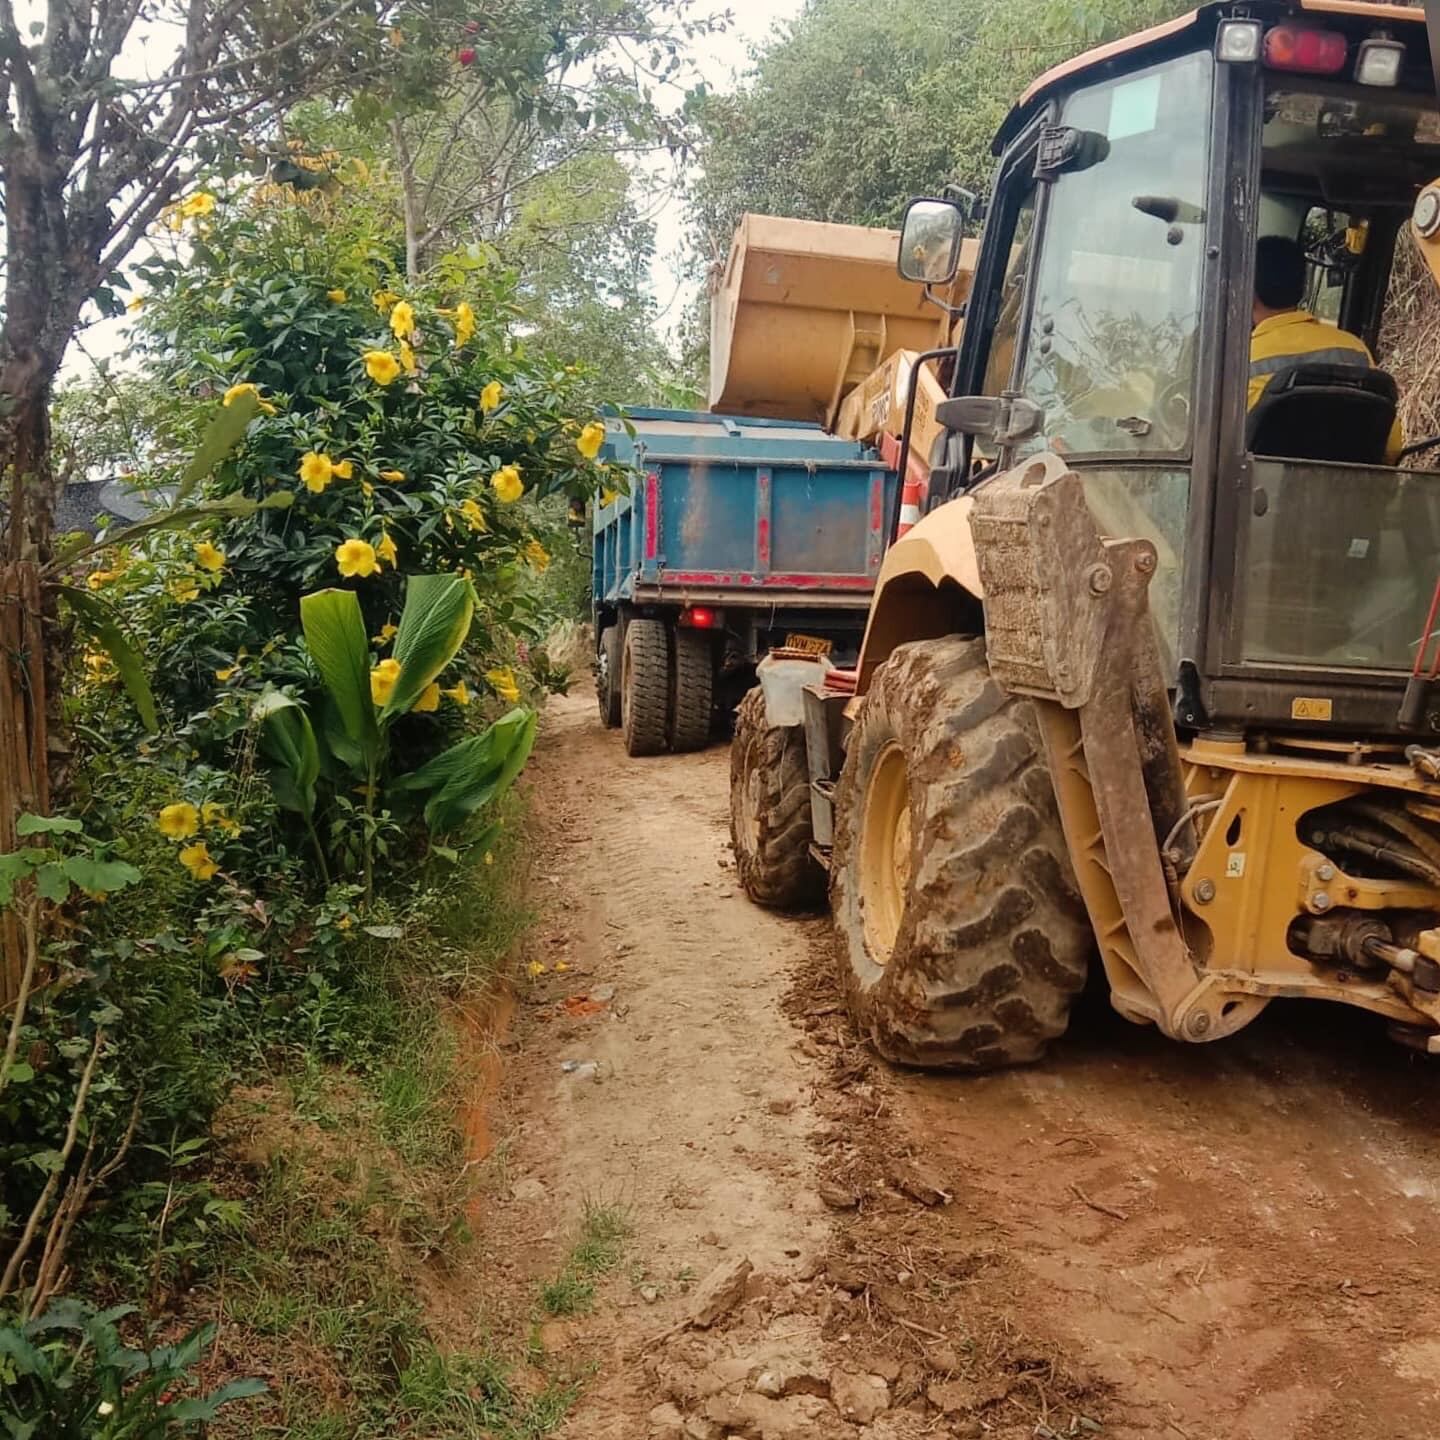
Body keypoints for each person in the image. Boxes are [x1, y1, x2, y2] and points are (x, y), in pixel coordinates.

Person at [1249, 234, 1402, 462]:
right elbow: (1391, 449)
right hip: (1352, 495)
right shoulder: (1355, 350)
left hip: (1260, 495)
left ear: (1248, 290)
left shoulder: (1239, 358)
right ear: (1303, 286)